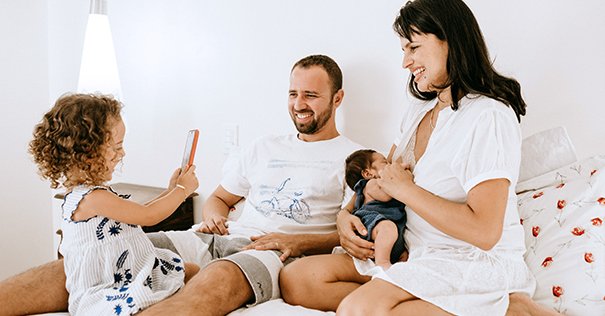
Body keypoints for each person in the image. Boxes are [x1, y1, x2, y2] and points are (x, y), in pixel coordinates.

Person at [0, 54, 363, 316]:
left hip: (273, 253)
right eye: (292, 93)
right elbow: (220, 198)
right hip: (213, 236)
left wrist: (296, 242)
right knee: (112, 251)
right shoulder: (262, 146)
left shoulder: (357, 158)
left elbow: (354, 235)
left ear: (337, 98)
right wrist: (213, 215)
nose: (298, 104)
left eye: (310, 96)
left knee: (220, 276)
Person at [280, 1, 566, 316]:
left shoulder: (488, 115)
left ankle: (507, 306)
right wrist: (345, 216)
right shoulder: (419, 111)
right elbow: (381, 177)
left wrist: (408, 191)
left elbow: (485, 232)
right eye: (404, 49)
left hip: (466, 258)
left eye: (414, 47)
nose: (406, 62)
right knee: (297, 279)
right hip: (411, 250)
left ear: (451, 41)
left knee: (357, 310)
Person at [27, 93, 200, 315]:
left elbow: (138, 212)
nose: (123, 153)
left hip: (130, 270)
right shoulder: (93, 198)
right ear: (88, 152)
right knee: (181, 280)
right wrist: (182, 190)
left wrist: (170, 191)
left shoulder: (86, 194)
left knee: (191, 270)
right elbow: (148, 216)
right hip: (112, 285)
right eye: (117, 147)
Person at [344, 149, 406, 270]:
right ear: (368, 174)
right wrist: (400, 171)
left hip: (391, 234)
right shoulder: (371, 184)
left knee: (404, 255)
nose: (389, 165)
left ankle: (396, 267)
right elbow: (387, 194)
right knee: (387, 228)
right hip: (370, 224)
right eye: (385, 163)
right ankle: (382, 263)